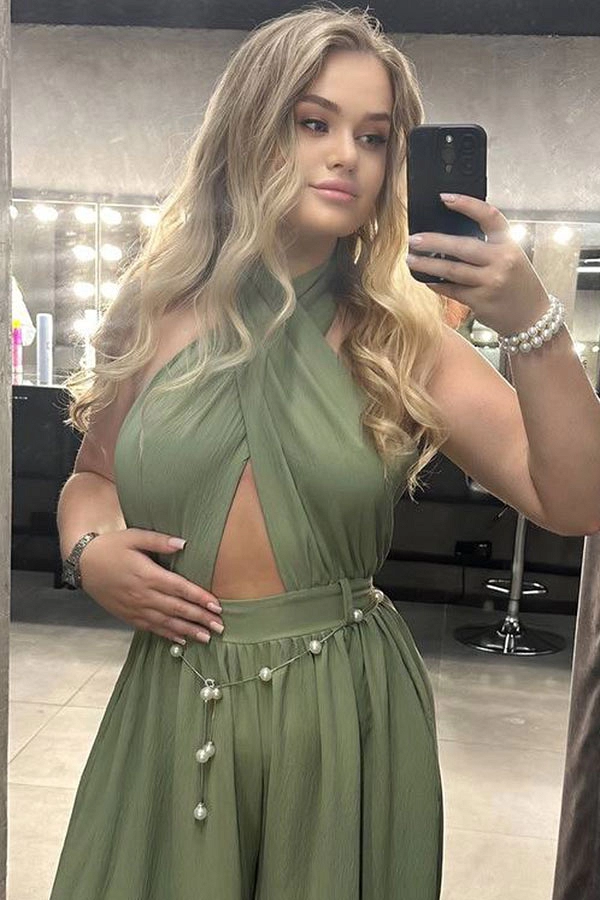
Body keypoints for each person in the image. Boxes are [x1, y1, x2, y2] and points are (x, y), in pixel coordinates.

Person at [50, 4, 600, 899]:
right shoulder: (154, 308)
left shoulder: (402, 338)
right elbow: (94, 477)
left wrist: (532, 322)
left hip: (342, 714)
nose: (348, 155)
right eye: (315, 123)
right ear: (251, 130)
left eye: (374, 137)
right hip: (173, 696)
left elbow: (575, 502)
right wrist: (90, 553)